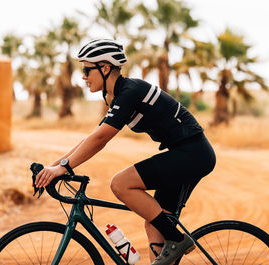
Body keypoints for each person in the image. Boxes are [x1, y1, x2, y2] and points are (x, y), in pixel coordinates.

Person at [35, 39, 216, 265]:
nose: (83, 76)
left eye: (86, 69)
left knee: (121, 183)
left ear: (105, 68)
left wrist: (63, 167)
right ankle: (174, 240)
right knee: (154, 224)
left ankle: (179, 240)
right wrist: (54, 166)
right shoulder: (115, 95)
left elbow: (101, 139)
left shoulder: (131, 91)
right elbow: (92, 137)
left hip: (192, 153)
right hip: (185, 152)